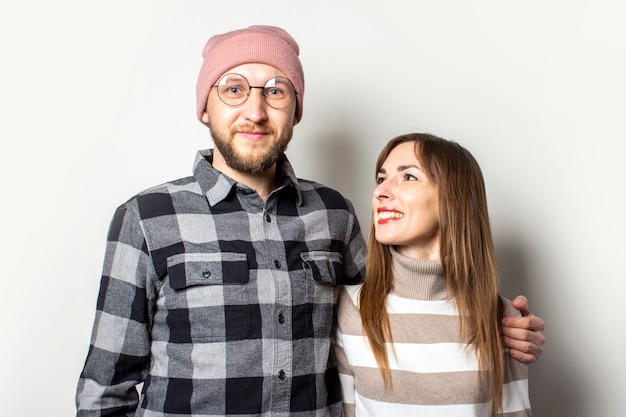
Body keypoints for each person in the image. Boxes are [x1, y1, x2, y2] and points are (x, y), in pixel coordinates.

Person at [76, 26, 545, 417]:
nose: (255, 110)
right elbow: (105, 390)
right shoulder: (146, 218)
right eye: (234, 88)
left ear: (295, 111)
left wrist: (496, 319)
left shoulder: (334, 213)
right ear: (205, 107)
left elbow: (392, 308)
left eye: (275, 91)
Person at [334, 133, 536, 416]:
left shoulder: (500, 318)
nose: (380, 191)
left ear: (453, 198)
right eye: (381, 179)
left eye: (409, 177)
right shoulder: (348, 309)